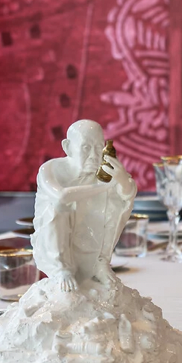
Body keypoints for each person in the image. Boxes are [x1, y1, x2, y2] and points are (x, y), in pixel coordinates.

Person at [31, 120, 136, 293]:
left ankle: (100, 263)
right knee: (57, 206)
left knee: (117, 199)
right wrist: (104, 187)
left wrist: (123, 180)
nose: (94, 156)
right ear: (67, 147)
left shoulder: (103, 169)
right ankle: (62, 270)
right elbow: (61, 196)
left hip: (90, 236)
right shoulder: (50, 169)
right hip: (58, 239)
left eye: (99, 148)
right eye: (86, 148)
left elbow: (127, 194)